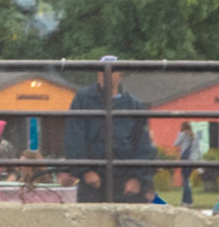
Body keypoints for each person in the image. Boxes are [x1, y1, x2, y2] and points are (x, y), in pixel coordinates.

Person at [62, 57, 155, 204]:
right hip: (94, 179)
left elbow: (143, 145)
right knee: (92, 222)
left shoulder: (134, 105)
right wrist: (85, 171)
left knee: (128, 224)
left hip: (125, 180)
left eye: (111, 71)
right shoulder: (83, 100)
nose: (105, 75)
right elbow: (74, 138)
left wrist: (137, 178)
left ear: (120, 74)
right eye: (101, 71)